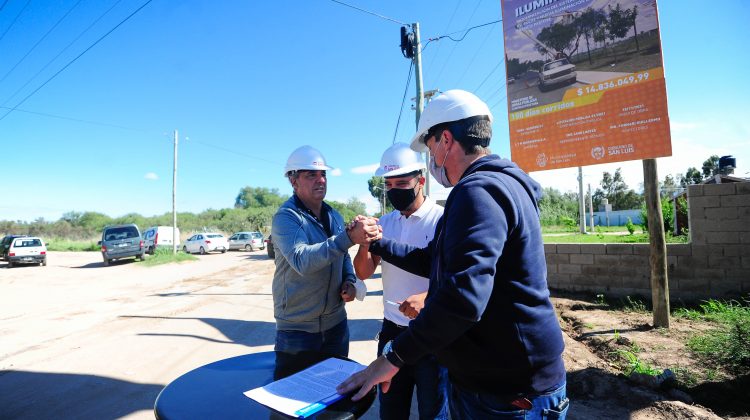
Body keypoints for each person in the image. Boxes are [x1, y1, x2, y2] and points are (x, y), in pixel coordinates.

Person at [339, 90, 569, 419]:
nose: (431, 158)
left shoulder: (477, 192)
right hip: (500, 382)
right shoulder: (498, 185)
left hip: (508, 392)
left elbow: (463, 296)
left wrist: (392, 359)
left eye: (430, 146)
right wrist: (375, 243)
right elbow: (433, 259)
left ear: (446, 140)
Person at [353, 142, 448, 420]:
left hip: (431, 336)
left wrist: (427, 296)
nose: (394, 190)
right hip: (392, 333)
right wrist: (364, 242)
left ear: (420, 180)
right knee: (391, 409)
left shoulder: (441, 220)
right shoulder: (385, 222)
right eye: (389, 184)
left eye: (401, 182)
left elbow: (455, 275)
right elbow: (363, 272)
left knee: (433, 411)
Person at [271, 145, 378, 359]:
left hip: (336, 325)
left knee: (335, 389)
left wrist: (349, 280)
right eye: (311, 175)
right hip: (296, 332)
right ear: (293, 181)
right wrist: (348, 238)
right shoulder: (286, 218)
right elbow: (301, 260)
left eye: (323, 174)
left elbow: (343, 256)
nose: (320, 180)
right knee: (294, 391)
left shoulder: (334, 216)